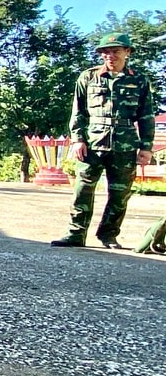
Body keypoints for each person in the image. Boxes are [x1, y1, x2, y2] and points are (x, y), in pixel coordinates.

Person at [51, 33, 156, 249]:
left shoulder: (139, 80)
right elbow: (78, 112)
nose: (110, 55)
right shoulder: (88, 77)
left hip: (125, 145)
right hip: (92, 143)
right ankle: (76, 233)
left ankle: (108, 235)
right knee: (83, 190)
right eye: (105, 52)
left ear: (128, 52)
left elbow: (146, 116)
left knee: (119, 194)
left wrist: (146, 147)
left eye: (115, 51)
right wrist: (78, 139)